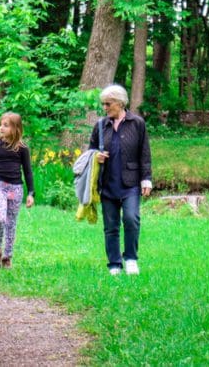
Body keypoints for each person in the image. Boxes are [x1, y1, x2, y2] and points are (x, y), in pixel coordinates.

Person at [88, 84, 152, 275]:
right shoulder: (100, 125)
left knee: (131, 219)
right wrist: (95, 157)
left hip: (130, 183)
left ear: (120, 103)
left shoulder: (137, 123)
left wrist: (146, 179)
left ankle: (131, 258)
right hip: (107, 183)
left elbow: (144, 153)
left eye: (108, 104)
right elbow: (90, 152)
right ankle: (114, 264)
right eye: (103, 104)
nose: (105, 108)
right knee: (111, 225)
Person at [0, 112, 35, 268]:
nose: (1, 128)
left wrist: (31, 193)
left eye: (6, 125)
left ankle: (7, 257)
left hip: (16, 189)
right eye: (0, 125)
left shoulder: (23, 149)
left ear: (16, 128)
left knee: (11, 224)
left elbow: (28, 171)